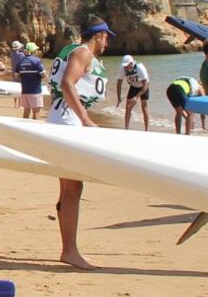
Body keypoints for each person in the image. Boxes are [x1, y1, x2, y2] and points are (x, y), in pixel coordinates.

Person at [46, 19, 114, 269]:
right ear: (99, 36)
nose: (107, 43)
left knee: (71, 188)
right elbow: (66, 84)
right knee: (72, 188)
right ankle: (70, 251)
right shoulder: (83, 52)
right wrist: (84, 119)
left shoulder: (72, 51)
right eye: (107, 37)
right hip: (67, 120)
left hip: (61, 117)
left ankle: (69, 249)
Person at [12, 38, 46, 118]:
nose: (37, 51)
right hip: (35, 91)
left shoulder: (20, 62)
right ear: (33, 51)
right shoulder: (37, 61)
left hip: (25, 91)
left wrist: (25, 78)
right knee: (36, 114)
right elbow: (43, 75)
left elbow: (16, 76)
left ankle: (23, 128)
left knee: (26, 113)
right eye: (36, 50)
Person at [118, 54, 152, 131]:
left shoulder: (140, 68)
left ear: (131, 63)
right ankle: (126, 129)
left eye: (127, 65)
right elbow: (119, 82)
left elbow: (145, 86)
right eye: (124, 66)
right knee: (128, 107)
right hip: (133, 86)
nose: (125, 67)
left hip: (143, 86)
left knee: (144, 107)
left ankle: (146, 130)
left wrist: (136, 97)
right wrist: (119, 97)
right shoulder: (123, 69)